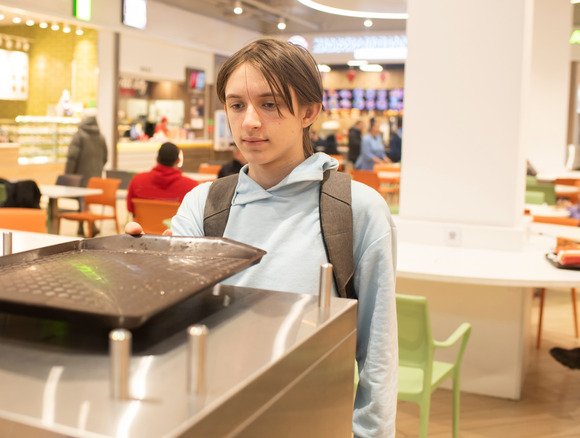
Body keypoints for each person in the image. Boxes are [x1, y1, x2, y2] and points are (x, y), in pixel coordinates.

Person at [126, 38, 397, 438]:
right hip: (209, 417)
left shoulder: (357, 209)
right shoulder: (203, 204)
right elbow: (176, 323)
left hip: (311, 421)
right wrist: (138, 270)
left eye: (269, 104)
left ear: (309, 111)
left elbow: (377, 350)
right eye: (236, 105)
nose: (249, 121)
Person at [65, 110, 109, 235]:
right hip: (96, 175)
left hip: (80, 175)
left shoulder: (79, 136)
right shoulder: (101, 137)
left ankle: (88, 225)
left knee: (82, 199)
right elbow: (106, 157)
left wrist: (68, 174)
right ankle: (84, 226)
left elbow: (72, 157)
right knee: (85, 200)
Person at [126, 142, 199, 214]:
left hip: (144, 225)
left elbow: (130, 208)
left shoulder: (137, 181)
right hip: (174, 226)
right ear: (178, 161)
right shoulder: (191, 187)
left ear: (157, 159)